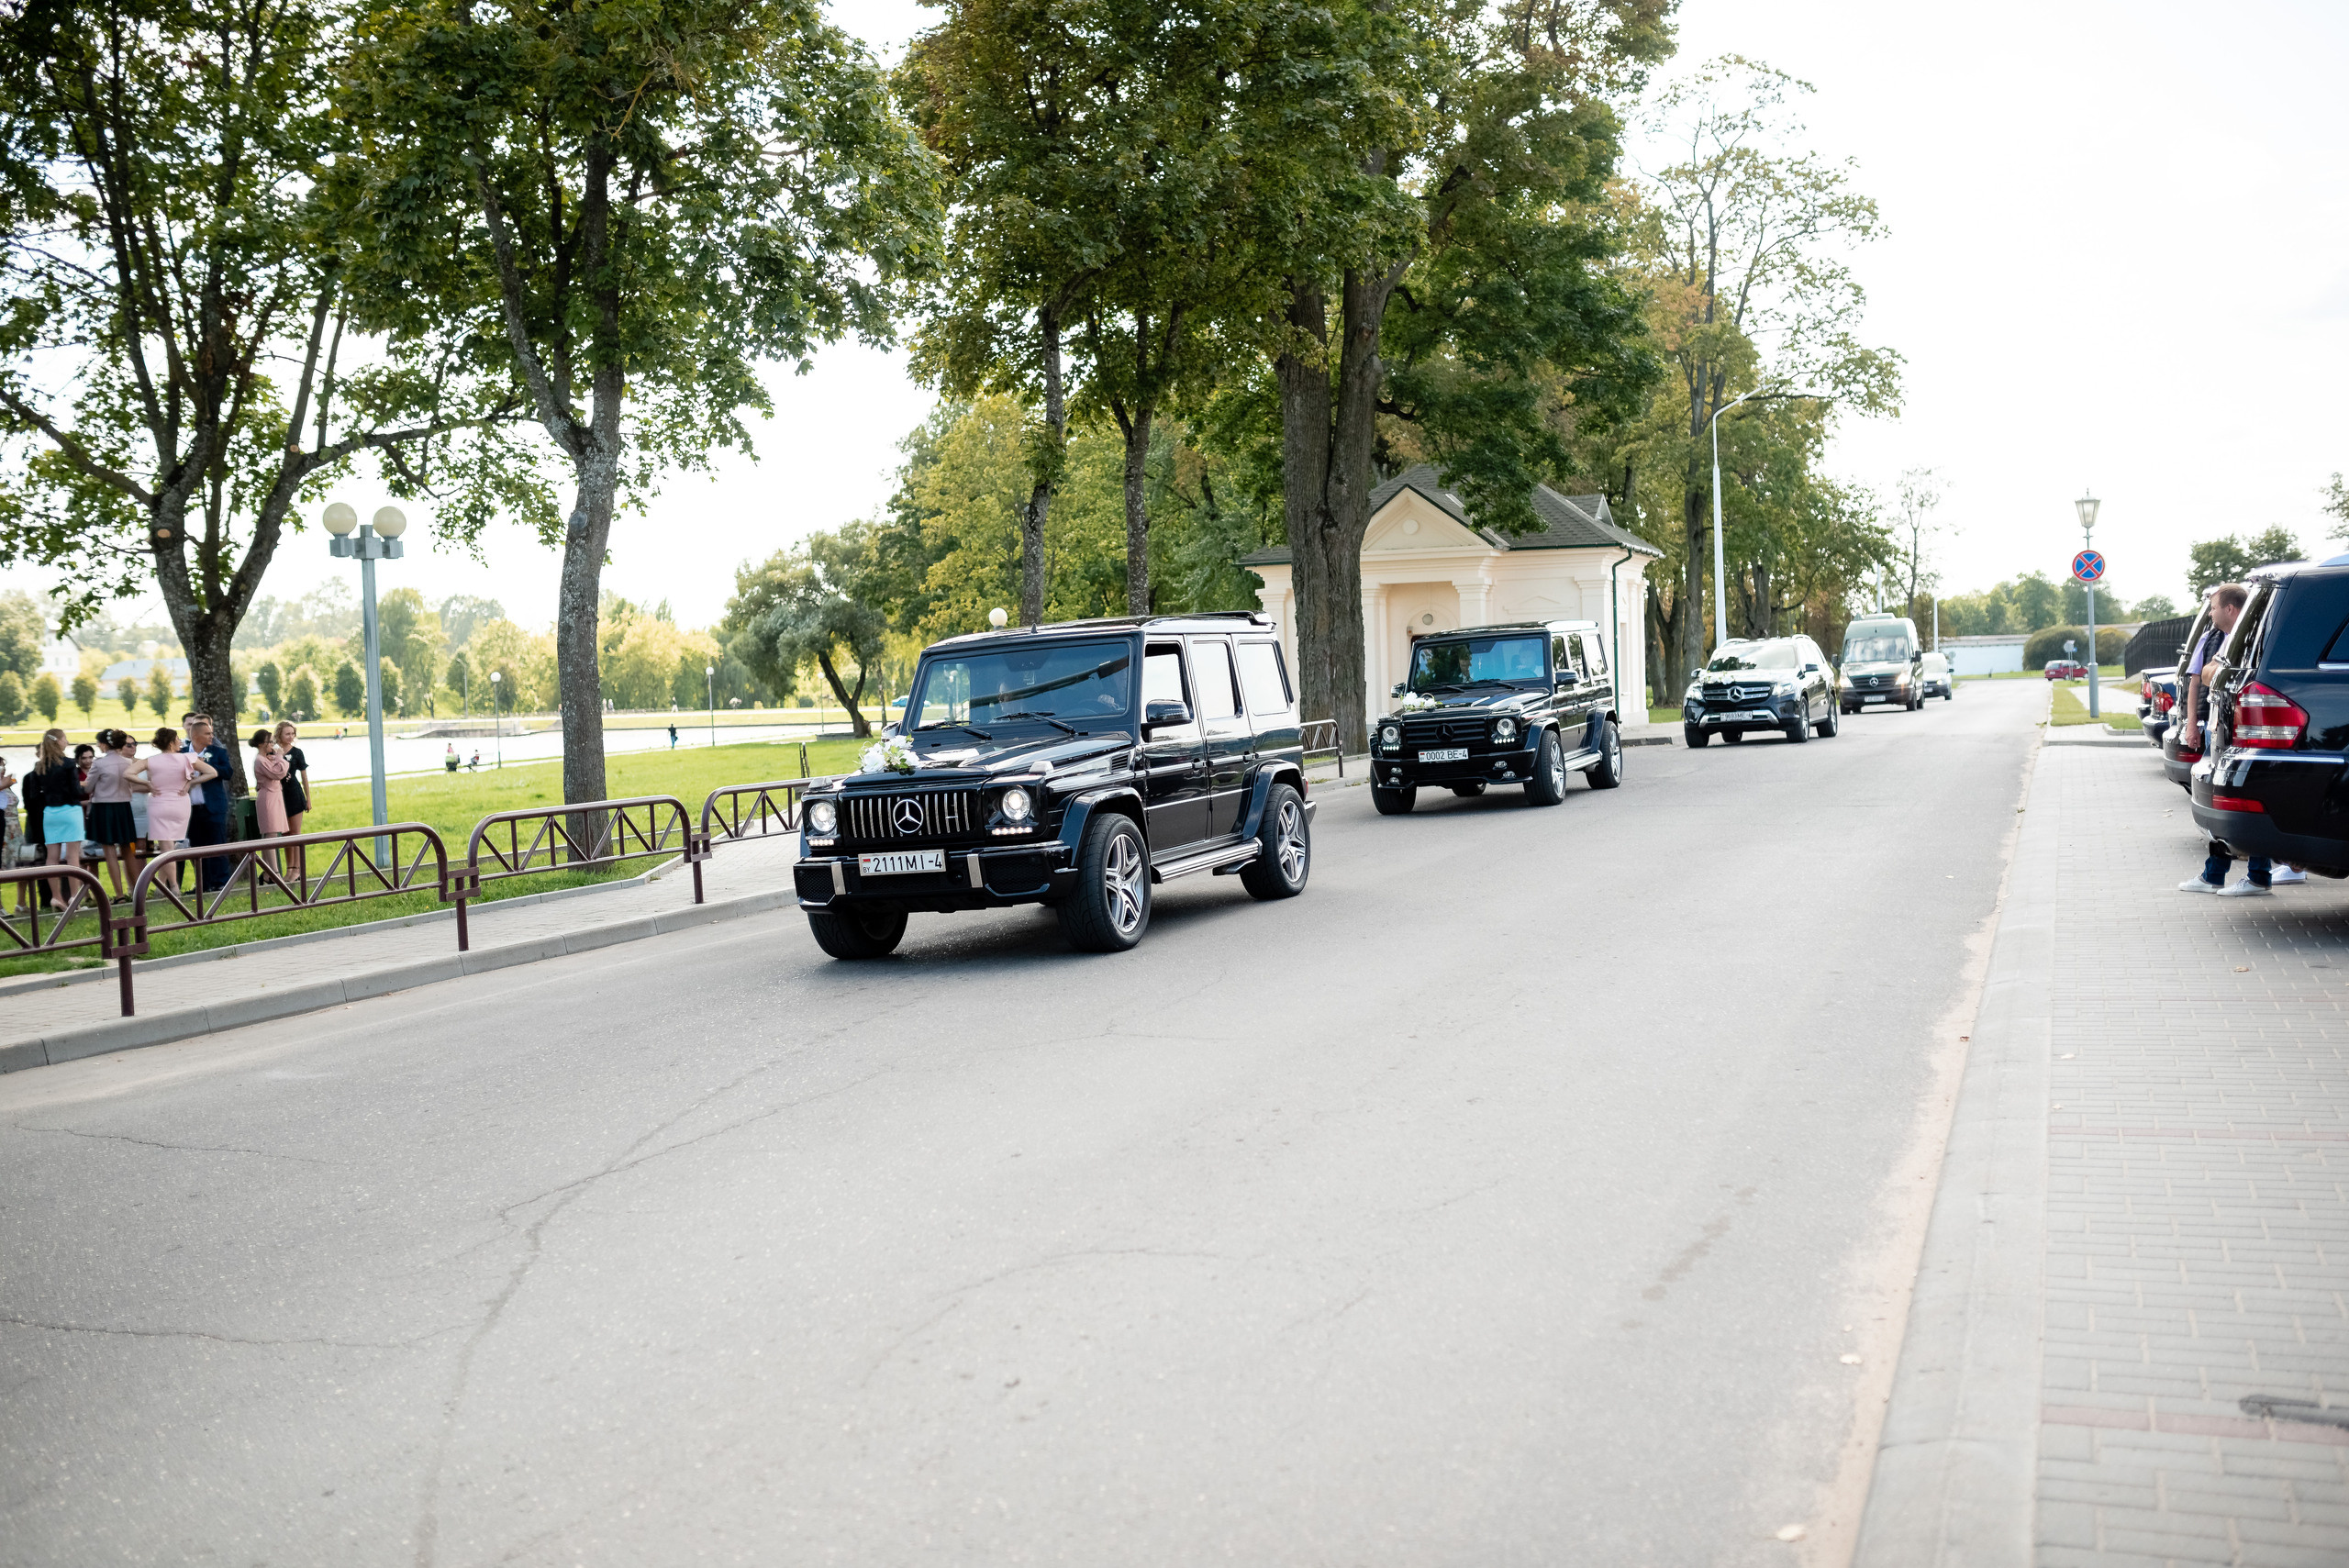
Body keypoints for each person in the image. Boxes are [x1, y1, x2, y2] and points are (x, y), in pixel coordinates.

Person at [2177, 584, 2275, 896]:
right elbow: (2206, 675)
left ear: (2230, 609)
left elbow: (2218, 675)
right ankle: (2216, 873)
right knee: (2221, 800)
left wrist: (2219, 670)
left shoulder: (2251, 642)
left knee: (2246, 800)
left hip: (2241, 731)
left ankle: (2257, 875)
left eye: (2214, 607)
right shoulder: (2226, 640)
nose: (2210, 612)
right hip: (2222, 729)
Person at [128, 726, 211, 882]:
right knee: (170, 846)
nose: (180, 741)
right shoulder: (187, 758)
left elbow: (128, 773)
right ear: (172, 742)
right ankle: (166, 886)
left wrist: (147, 784)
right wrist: (190, 783)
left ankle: (173, 886)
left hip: (159, 803)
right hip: (180, 803)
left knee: (166, 848)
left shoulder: (150, 760)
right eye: (178, 739)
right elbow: (212, 772)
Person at [29, 729, 87, 912]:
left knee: (52, 857)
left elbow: (33, 795)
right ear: (59, 741)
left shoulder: (39, 766)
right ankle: (74, 896)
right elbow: (76, 791)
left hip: (51, 814)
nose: (67, 742)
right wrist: (84, 786)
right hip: (70, 811)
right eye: (65, 739)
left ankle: (56, 897)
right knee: (72, 856)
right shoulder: (69, 764)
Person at [83, 728, 142, 896]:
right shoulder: (128, 762)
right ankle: (138, 891)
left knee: (110, 852)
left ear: (103, 745)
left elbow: (88, 787)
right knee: (128, 851)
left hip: (104, 808)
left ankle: (119, 894)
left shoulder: (99, 763)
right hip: (124, 807)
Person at [181, 714, 234, 894]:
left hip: (213, 807)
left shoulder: (218, 752)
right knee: (196, 847)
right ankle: (202, 884)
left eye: (211, 733)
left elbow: (228, 772)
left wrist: (207, 767)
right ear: (195, 735)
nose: (212, 737)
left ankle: (221, 883)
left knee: (217, 844)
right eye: (207, 734)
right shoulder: (181, 754)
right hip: (191, 808)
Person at [250, 728, 289, 877]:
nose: (273, 745)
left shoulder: (266, 758)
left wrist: (276, 758)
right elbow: (277, 773)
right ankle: (275, 872)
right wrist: (280, 757)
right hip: (268, 798)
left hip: (275, 795)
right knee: (270, 834)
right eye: (270, 742)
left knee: (272, 833)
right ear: (261, 744)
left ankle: (267, 873)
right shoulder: (260, 760)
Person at [275, 721, 310, 886]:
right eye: (287, 734)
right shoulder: (274, 751)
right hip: (279, 795)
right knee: (285, 834)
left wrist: (308, 799)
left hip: (295, 794)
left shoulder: (297, 753)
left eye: (292, 734)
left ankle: (297, 870)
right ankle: (289, 868)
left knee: (295, 833)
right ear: (279, 735)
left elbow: (304, 777)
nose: (290, 737)